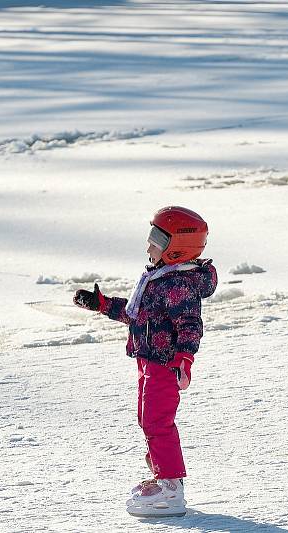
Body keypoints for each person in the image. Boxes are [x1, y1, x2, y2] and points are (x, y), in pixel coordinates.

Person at [73, 206, 217, 517]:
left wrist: (184, 359)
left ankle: (171, 487)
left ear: (177, 248)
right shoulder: (159, 277)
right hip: (148, 361)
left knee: (156, 422)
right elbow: (137, 315)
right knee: (146, 419)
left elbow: (190, 325)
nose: (148, 245)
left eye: (156, 239)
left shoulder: (179, 284)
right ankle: (162, 472)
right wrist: (101, 305)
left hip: (165, 364)